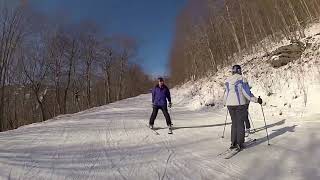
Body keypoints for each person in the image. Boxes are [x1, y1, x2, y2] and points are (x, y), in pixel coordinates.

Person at [224, 65, 262, 150]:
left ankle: (233, 142)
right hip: (240, 105)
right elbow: (247, 94)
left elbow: (226, 93)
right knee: (240, 123)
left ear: (232, 71)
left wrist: (225, 102)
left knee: (234, 123)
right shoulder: (242, 79)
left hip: (230, 105)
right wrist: (257, 100)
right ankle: (240, 143)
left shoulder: (227, 80)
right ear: (239, 70)